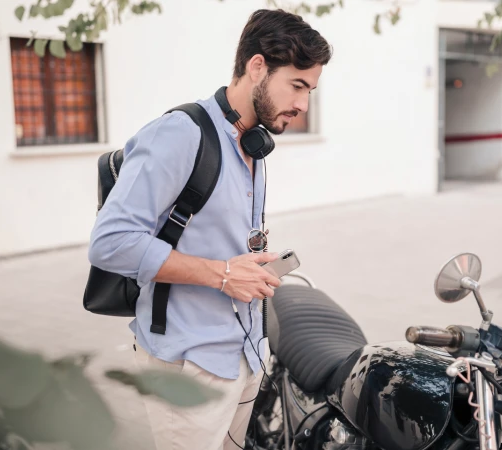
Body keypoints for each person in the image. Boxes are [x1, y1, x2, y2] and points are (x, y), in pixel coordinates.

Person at [87, 7, 332, 450]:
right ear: (257, 66)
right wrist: (222, 273)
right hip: (189, 364)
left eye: (310, 90)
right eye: (297, 86)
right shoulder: (180, 134)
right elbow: (110, 243)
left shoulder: (253, 142)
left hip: (247, 353)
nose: (302, 104)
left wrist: (249, 262)